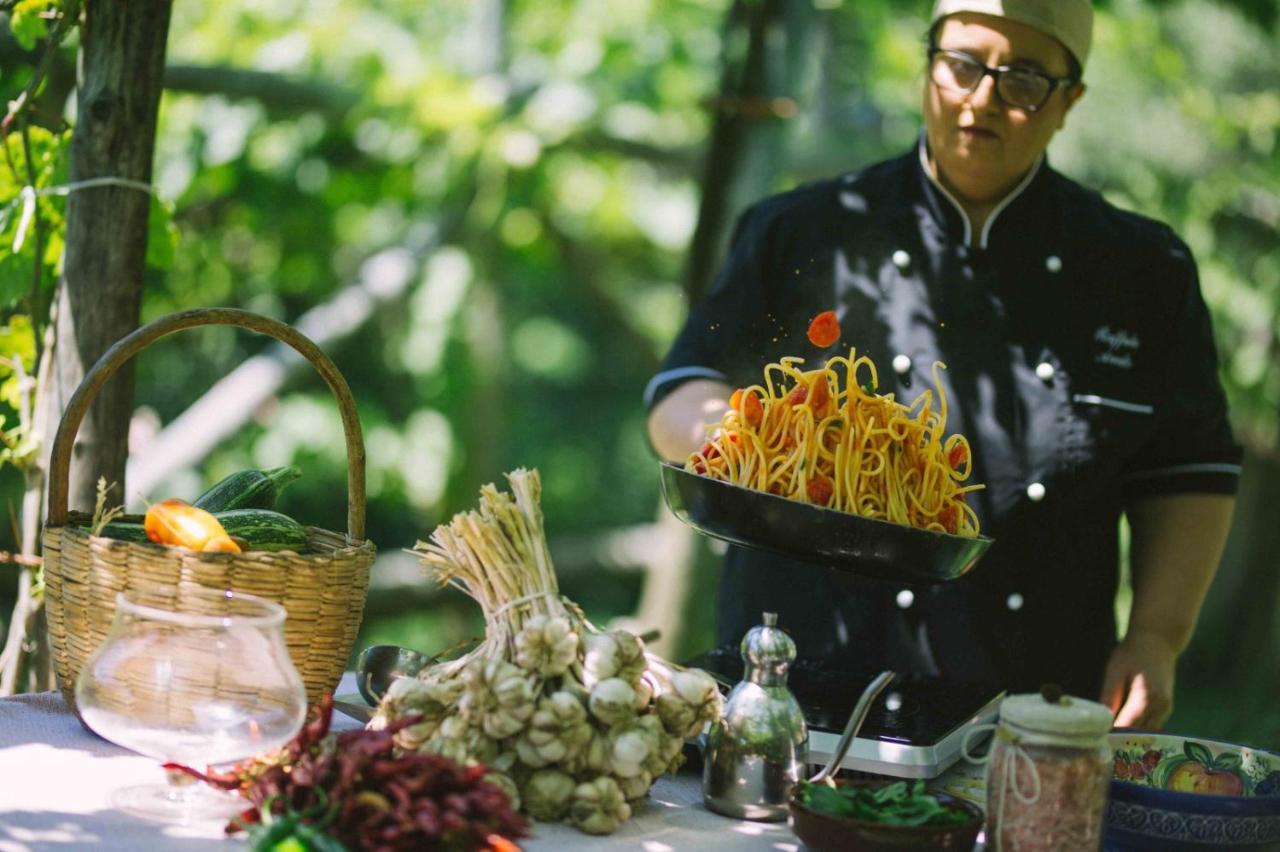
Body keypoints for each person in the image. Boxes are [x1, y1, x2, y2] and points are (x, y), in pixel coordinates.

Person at [645, 0, 1240, 729]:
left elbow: (1187, 473)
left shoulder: (1143, 269)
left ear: (1070, 101)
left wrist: (1157, 635)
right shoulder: (801, 229)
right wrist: (758, 441)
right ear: (928, 66)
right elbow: (680, 392)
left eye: (1024, 78)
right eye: (962, 65)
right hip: (793, 687)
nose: (983, 98)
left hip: (1026, 700)